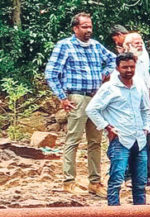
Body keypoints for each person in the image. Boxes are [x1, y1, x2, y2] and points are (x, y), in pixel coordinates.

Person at [44, 12, 116, 197]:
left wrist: (104, 74)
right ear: (75, 28)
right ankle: (69, 182)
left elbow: (113, 59)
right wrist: (62, 97)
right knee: (73, 140)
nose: (88, 30)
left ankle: (95, 182)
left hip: (96, 97)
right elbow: (51, 73)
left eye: (90, 26)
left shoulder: (95, 46)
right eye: (84, 27)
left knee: (95, 141)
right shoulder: (65, 46)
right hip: (77, 97)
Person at [85, 53, 150, 206]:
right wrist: (107, 127)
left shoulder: (139, 85)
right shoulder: (109, 88)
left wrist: (146, 127)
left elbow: (145, 109)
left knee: (140, 183)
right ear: (117, 68)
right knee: (116, 181)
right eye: (125, 67)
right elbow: (92, 109)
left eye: (132, 67)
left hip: (139, 140)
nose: (129, 70)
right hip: (120, 140)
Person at [121, 32, 150, 187]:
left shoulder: (142, 63)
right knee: (130, 143)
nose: (140, 44)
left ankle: (146, 176)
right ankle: (129, 177)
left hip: (145, 110)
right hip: (128, 111)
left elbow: (148, 89)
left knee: (147, 143)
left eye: (141, 42)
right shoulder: (122, 64)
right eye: (136, 42)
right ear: (127, 45)